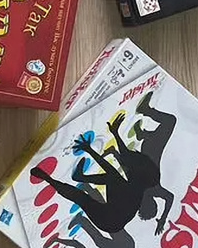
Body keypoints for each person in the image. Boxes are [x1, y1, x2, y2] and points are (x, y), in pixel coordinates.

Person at [30, 92, 176, 235]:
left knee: (98, 188)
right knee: (87, 194)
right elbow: (120, 162)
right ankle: (62, 178)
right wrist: (112, 136)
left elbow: (115, 167)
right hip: (111, 222)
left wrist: (97, 145)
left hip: (110, 218)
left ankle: (71, 177)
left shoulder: (137, 187)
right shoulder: (140, 186)